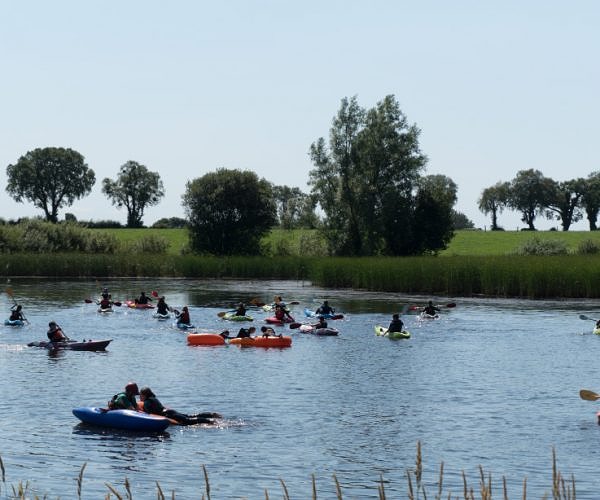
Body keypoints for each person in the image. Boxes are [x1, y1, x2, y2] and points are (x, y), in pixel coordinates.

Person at [139, 387, 221, 425]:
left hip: (168, 415)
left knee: (188, 420)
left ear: (144, 395)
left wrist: (141, 412)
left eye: (140, 395)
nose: (139, 397)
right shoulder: (153, 398)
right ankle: (211, 415)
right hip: (170, 412)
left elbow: (149, 414)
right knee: (189, 416)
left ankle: (209, 421)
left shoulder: (147, 402)